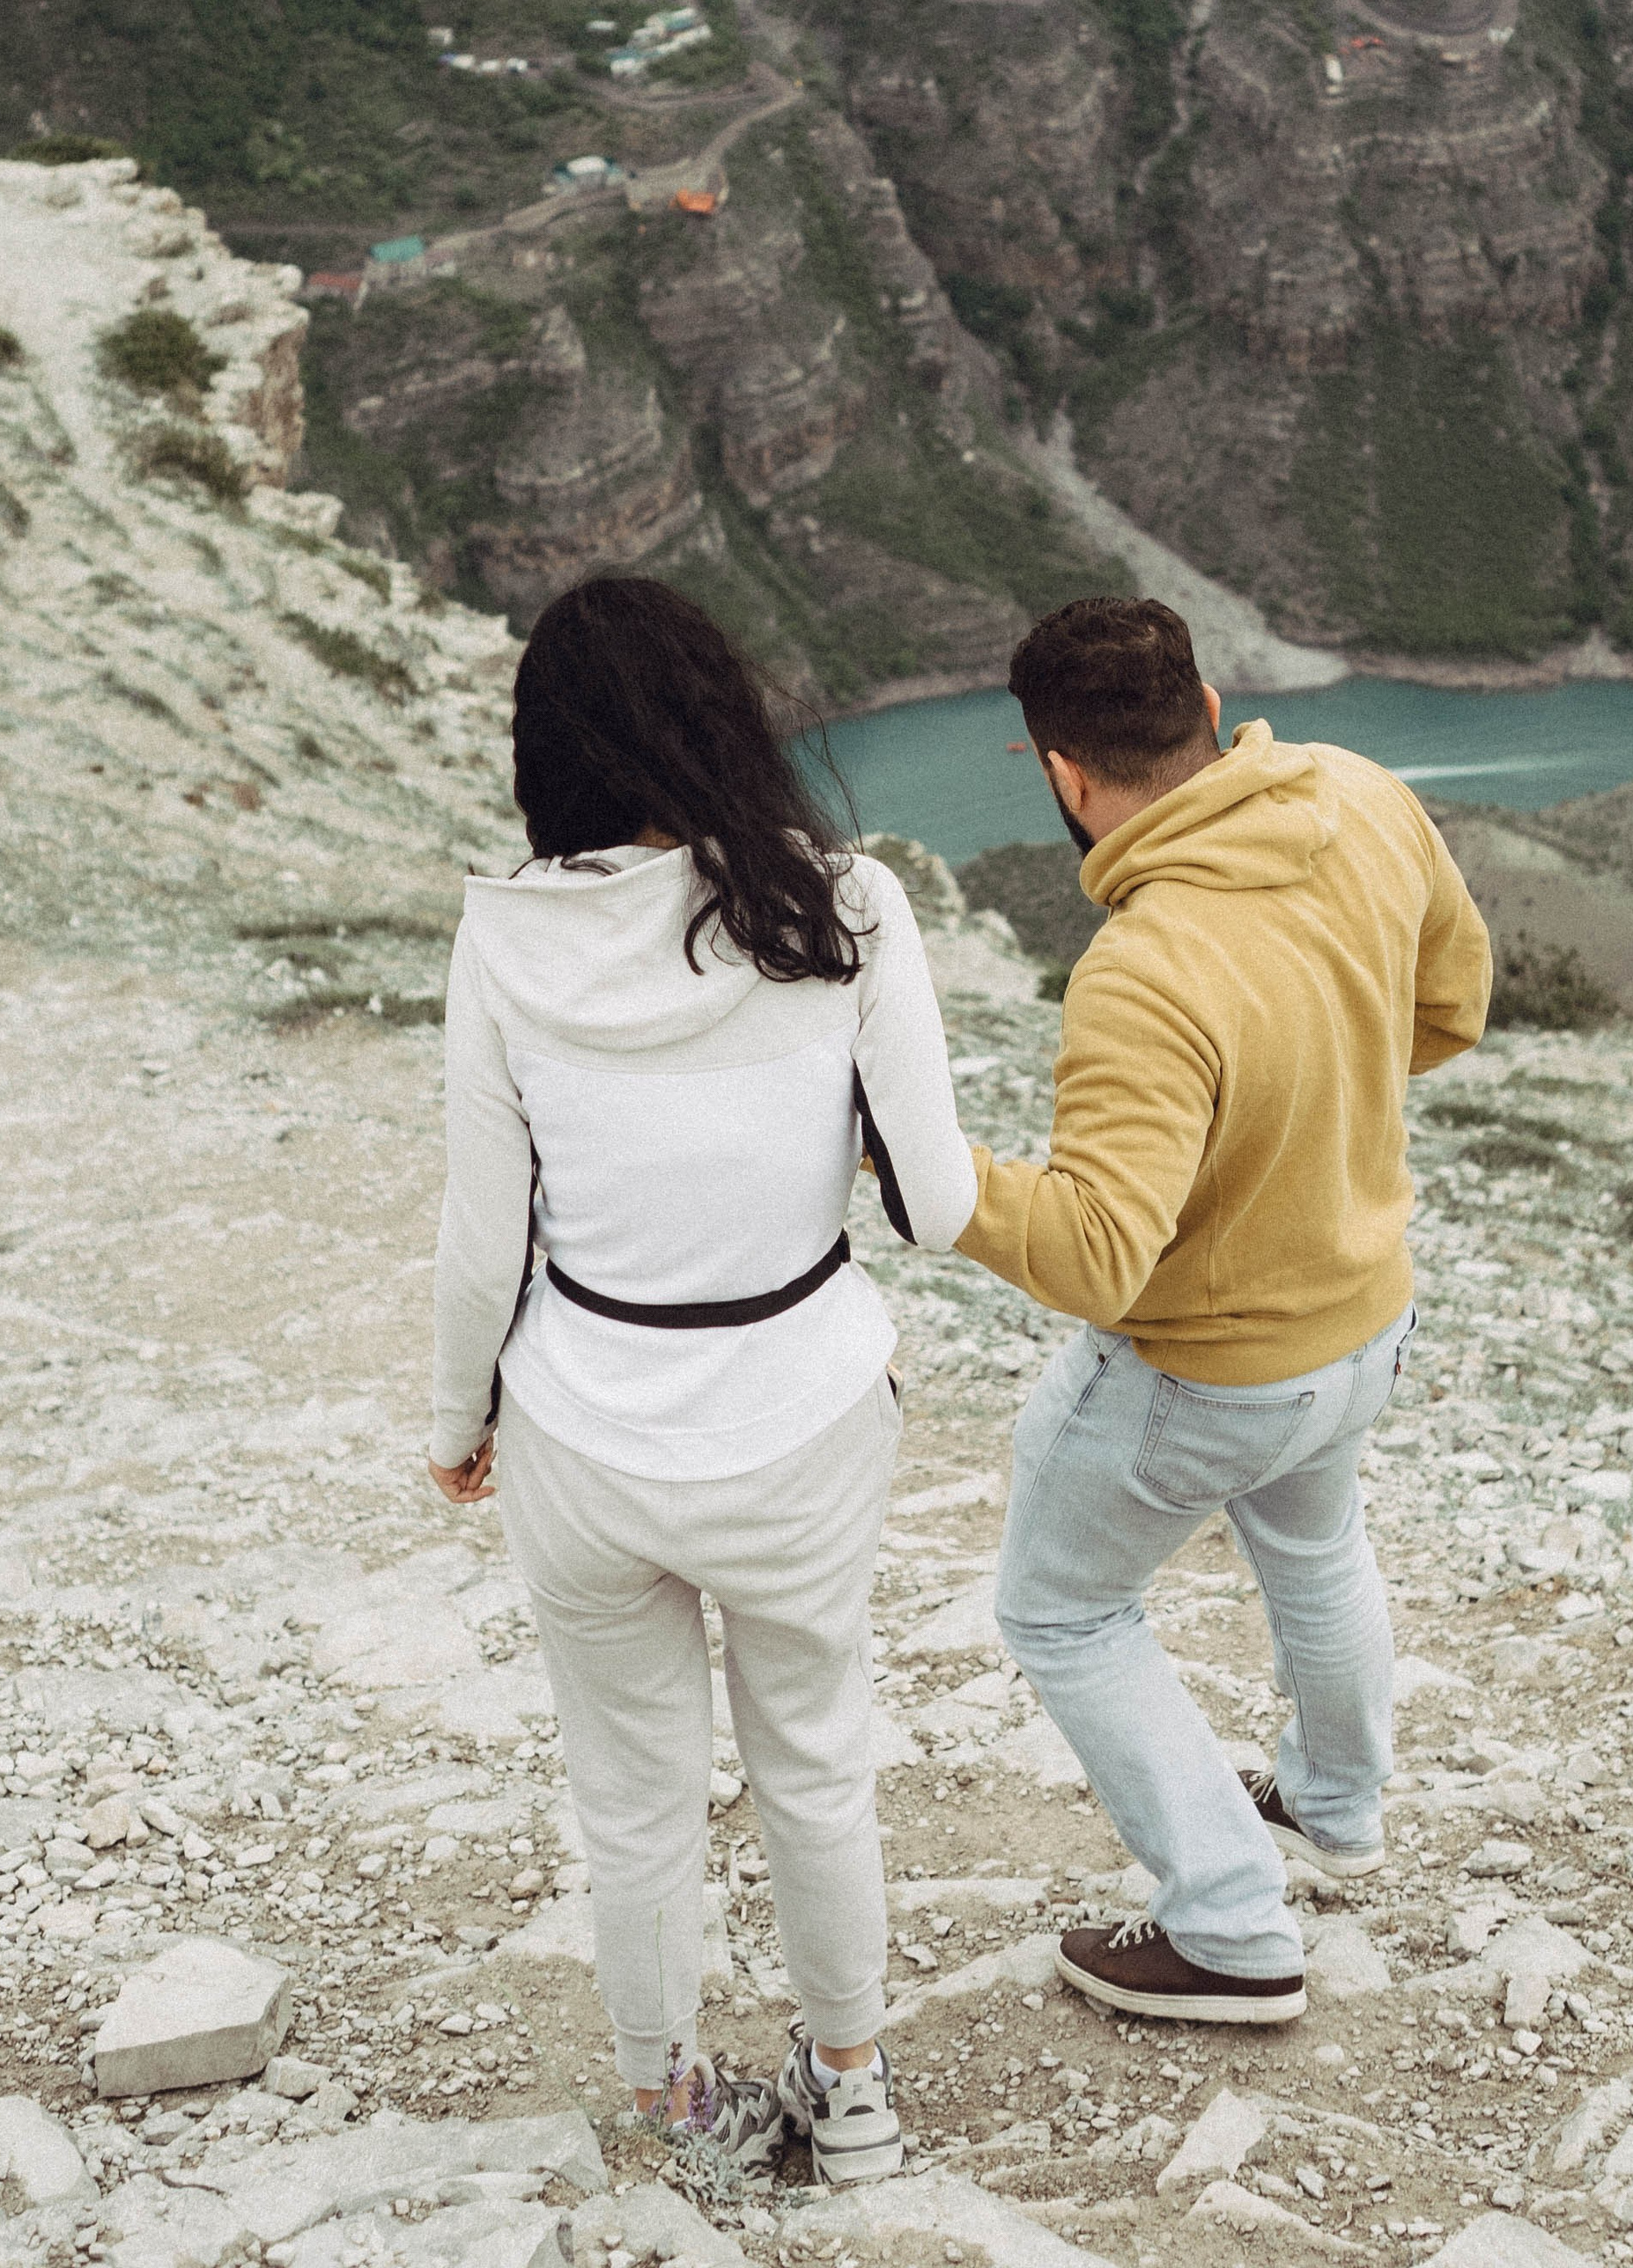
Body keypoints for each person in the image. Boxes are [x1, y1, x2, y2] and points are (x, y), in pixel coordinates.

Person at [425, 573, 975, 2183]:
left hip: (587, 1425)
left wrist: (459, 1423)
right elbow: (937, 1207)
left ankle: (674, 2108)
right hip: (803, 1411)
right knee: (814, 1759)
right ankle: (854, 2093)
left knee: (633, 1796)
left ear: (551, 755)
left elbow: (484, 1235)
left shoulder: (504, 935)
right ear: (723, 717)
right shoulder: (847, 905)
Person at [957, 596, 1491, 2024]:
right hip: (1365, 1322)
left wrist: (939, 1185)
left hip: (1214, 1374)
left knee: (1062, 1610)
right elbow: (1453, 1010)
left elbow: (1092, 1258)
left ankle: (1233, 1928)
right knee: (1316, 1547)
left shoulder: (1145, 967)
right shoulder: (1367, 798)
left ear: (1061, 773)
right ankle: (1335, 1804)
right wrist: (1315, 1112)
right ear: (1205, 700)